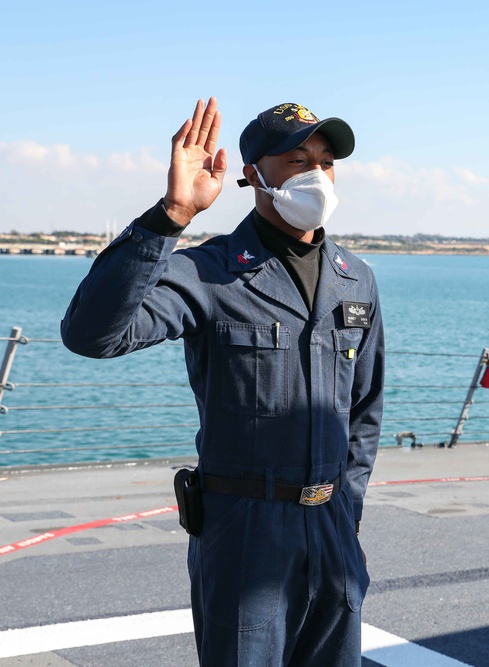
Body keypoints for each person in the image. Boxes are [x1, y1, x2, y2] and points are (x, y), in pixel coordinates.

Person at [61, 98, 384, 666]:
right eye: (296, 157)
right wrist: (171, 217)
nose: (316, 173)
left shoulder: (355, 278)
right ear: (253, 173)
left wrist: (346, 514)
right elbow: (92, 335)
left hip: (332, 530)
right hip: (246, 536)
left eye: (327, 160)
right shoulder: (209, 271)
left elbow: (364, 412)